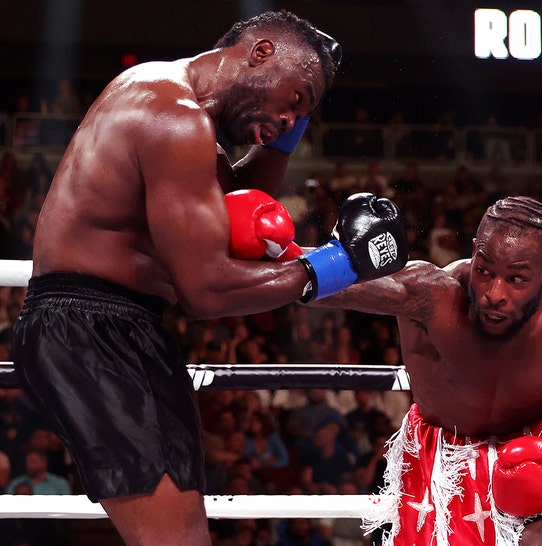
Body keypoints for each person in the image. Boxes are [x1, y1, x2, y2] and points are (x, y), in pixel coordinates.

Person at [11, 10, 408, 546]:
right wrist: (338, 265)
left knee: (181, 533)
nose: (292, 121)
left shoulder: (184, 119)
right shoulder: (170, 115)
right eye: (295, 99)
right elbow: (205, 288)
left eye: (303, 115)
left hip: (118, 328)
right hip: (90, 330)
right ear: (262, 51)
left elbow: (234, 202)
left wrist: (293, 122)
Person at [308, 196, 542, 545]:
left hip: (540, 441)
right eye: (484, 271)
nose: (494, 293)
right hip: (446, 451)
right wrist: (335, 257)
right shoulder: (432, 295)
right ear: (474, 252)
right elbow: (312, 286)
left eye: (517, 279)